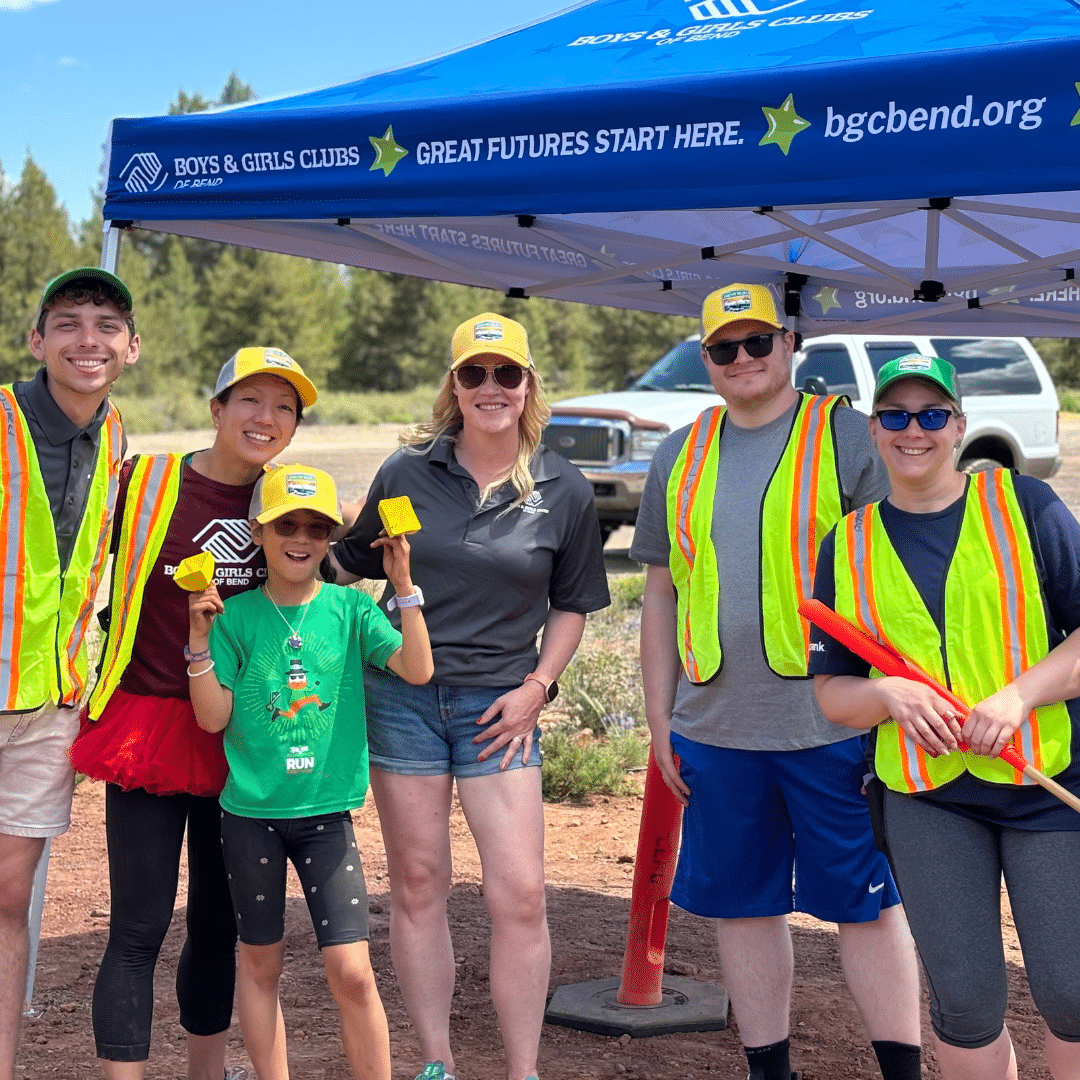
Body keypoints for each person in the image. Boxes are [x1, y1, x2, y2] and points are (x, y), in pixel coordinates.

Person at [631, 283, 923, 1080]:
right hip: (717, 729)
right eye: (724, 348)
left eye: (758, 342)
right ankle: (771, 1071)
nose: (743, 359)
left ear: (790, 343)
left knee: (866, 902)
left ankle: (902, 1070)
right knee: (742, 903)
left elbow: (900, 565)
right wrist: (659, 716)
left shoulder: (846, 436)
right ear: (707, 359)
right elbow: (661, 590)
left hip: (834, 724)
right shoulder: (679, 452)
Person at [330, 312, 610, 1080]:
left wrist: (538, 687)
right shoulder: (406, 471)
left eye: (507, 374)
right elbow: (342, 563)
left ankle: (523, 1070)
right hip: (403, 697)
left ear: (528, 386)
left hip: (503, 709)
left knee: (518, 894)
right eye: (474, 374)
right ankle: (438, 1062)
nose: (492, 388)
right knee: (419, 884)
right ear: (454, 385)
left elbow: (573, 602)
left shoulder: (564, 486)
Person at [812, 355, 1080, 1080]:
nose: (914, 431)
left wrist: (1020, 696)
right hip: (929, 797)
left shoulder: (1025, 506)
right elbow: (832, 694)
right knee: (963, 1001)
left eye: (932, 415)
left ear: (959, 427)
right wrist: (887, 698)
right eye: (895, 416)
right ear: (874, 430)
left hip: (1043, 785)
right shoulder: (849, 543)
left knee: (1071, 992)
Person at [70, 347, 318, 1080]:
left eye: (284, 407)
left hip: (239, 736)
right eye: (249, 401)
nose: (265, 419)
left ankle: (204, 1074)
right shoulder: (144, 482)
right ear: (216, 409)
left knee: (217, 923)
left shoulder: (288, 502)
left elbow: (334, 575)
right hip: (147, 728)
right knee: (139, 928)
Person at [186, 463, 433, 1080]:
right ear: (259, 533)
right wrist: (197, 641)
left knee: (352, 970)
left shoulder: (349, 609)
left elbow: (416, 668)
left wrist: (404, 585)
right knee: (260, 965)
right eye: (286, 525)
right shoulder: (237, 617)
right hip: (251, 818)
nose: (301, 539)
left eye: (316, 529)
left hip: (326, 818)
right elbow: (213, 719)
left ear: (330, 539)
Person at [0, 267, 137, 1080]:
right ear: (36, 340)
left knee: (9, 903)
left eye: (105, 325)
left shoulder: (118, 438)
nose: (88, 339)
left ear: (130, 347)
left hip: (48, 710)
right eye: (69, 322)